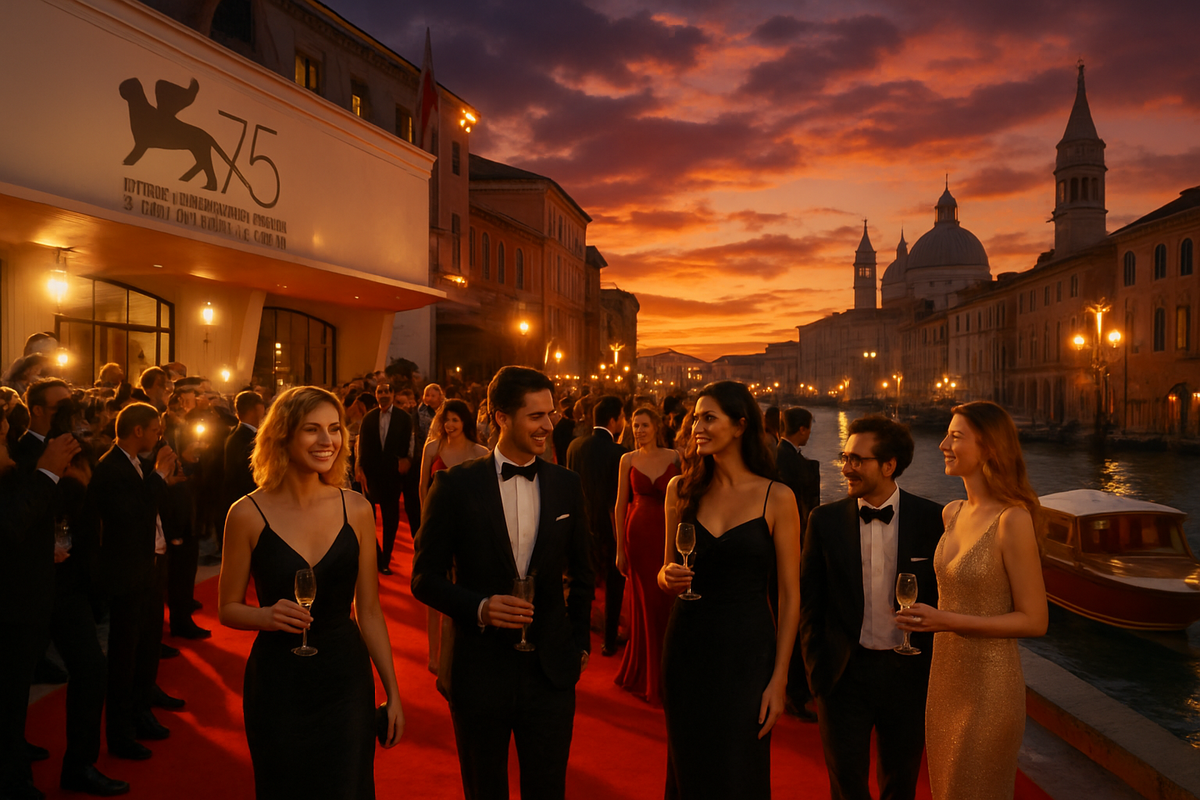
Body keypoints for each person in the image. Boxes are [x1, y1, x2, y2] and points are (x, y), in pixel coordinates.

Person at [411, 366, 595, 800]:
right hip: (480, 669)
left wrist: (580, 641)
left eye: (550, 414)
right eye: (535, 416)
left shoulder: (566, 485)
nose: (548, 425)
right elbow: (424, 578)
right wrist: (479, 607)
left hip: (550, 671)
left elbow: (583, 571)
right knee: (484, 790)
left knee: (548, 789)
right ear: (500, 417)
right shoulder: (454, 485)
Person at [218, 386, 403, 800]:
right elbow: (227, 608)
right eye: (312, 430)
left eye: (335, 429)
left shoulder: (355, 508)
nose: (327, 441)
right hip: (278, 684)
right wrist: (264, 616)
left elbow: (369, 611)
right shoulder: (246, 513)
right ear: (282, 435)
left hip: (345, 682)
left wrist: (393, 694)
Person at [895, 402, 1047, 799]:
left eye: (956, 436)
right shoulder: (952, 513)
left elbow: (1035, 621)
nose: (943, 444)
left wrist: (946, 621)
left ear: (991, 448)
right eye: (947, 434)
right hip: (944, 682)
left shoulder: (1013, 519)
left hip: (990, 690)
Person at [657, 381, 800, 799]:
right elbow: (664, 574)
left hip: (747, 654)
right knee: (689, 770)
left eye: (708, 418)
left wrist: (780, 679)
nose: (697, 427)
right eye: (695, 418)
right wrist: (669, 577)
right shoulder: (679, 490)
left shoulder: (778, 497)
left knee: (740, 773)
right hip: (687, 647)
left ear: (740, 426)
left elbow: (790, 597)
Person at [799, 416, 944, 800]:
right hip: (843, 675)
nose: (845, 468)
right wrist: (818, 674)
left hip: (907, 677)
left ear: (889, 465)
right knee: (846, 787)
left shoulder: (934, 520)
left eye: (856, 460)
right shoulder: (823, 521)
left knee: (901, 786)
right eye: (845, 457)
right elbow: (809, 604)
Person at [90, 403, 178, 761]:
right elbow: (129, 516)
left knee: (147, 647)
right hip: (127, 573)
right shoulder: (110, 467)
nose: (159, 435)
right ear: (138, 431)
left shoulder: (137, 463)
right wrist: (159, 477)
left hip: (149, 565)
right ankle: (121, 732)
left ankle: (142, 713)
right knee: (125, 655)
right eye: (155, 429)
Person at [417, 398, 488, 675]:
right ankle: (433, 655)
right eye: (446, 420)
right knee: (433, 591)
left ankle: (454, 652)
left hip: (469, 530)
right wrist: (424, 525)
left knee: (462, 591)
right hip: (435, 527)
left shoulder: (480, 451)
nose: (449, 425)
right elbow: (422, 488)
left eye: (455, 420)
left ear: (465, 422)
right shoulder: (432, 448)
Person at [613, 406, 678, 706]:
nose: (638, 430)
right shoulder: (627, 459)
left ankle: (669, 671)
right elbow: (619, 505)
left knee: (668, 602)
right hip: (637, 536)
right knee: (647, 604)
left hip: (668, 535)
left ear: (656, 427)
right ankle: (648, 675)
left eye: (644, 425)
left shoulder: (676, 457)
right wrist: (619, 549)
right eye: (635, 425)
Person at [566, 395, 627, 657]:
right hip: (610, 525)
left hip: (579, 522)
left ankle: (574, 636)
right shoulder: (621, 453)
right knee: (614, 583)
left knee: (581, 582)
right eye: (623, 417)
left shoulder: (574, 447)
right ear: (614, 421)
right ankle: (609, 641)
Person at [775, 406, 820, 720]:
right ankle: (796, 692)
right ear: (802, 430)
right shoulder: (797, 465)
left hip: (776, 545)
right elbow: (807, 507)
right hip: (794, 545)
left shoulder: (773, 457)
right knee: (796, 615)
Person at [355, 382, 412, 575]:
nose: (384, 394)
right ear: (376, 395)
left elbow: (412, 441)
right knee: (368, 519)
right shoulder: (369, 418)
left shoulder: (404, 418)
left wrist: (408, 460)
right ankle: (376, 554)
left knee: (390, 520)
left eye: (387, 391)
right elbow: (361, 444)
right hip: (371, 475)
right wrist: (359, 467)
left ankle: (385, 559)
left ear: (393, 393)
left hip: (392, 475)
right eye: (380, 392)